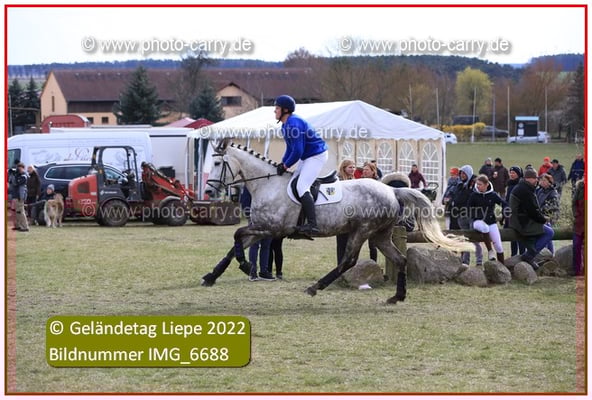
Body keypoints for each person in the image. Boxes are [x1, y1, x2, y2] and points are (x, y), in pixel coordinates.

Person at [274, 95, 328, 236]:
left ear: (285, 110)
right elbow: (290, 148)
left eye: (277, 108)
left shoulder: (294, 124)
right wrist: (283, 162)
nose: (275, 111)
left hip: (316, 155)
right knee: (292, 184)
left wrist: (286, 166)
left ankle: (312, 225)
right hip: (307, 156)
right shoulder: (285, 125)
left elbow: (298, 151)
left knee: (302, 186)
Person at [508, 168, 554, 270]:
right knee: (549, 232)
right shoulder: (525, 190)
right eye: (535, 178)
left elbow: (532, 210)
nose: (537, 180)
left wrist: (542, 219)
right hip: (522, 223)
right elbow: (532, 211)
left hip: (521, 220)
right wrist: (543, 220)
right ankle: (529, 255)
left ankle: (544, 256)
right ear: (529, 178)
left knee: (547, 227)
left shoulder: (523, 187)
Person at [450, 165, 491, 266]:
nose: (462, 175)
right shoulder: (460, 185)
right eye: (461, 173)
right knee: (465, 239)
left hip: (471, 215)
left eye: (464, 173)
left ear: (468, 173)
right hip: (461, 215)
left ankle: (479, 260)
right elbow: (456, 197)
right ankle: (465, 261)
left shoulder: (475, 185)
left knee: (474, 238)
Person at [468, 175, 509, 263]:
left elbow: (503, 203)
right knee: (485, 227)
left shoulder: (493, 195)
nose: (478, 186)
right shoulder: (473, 195)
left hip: (491, 221)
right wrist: (477, 215)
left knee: (499, 246)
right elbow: (468, 209)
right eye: (477, 184)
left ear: (486, 184)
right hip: (477, 222)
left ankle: (502, 267)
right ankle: (490, 251)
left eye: (480, 184)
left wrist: (505, 210)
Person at [239, 187, 275, 281]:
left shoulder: (269, 184)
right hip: (255, 218)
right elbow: (245, 200)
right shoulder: (250, 184)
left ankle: (263, 272)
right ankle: (252, 271)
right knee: (255, 245)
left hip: (269, 217)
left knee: (266, 245)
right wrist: (249, 217)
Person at [336, 159, 356, 266]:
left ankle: (349, 265)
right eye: (350, 167)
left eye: (353, 167)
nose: (353, 169)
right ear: (344, 168)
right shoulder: (338, 180)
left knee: (351, 242)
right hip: (342, 214)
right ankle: (340, 265)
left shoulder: (354, 180)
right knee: (342, 242)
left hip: (352, 214)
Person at [535, 173, 560, 254]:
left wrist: (542, 210)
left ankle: (548, 254)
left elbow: (554, 206)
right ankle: (549, 254)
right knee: (547, 237)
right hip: (540, 216)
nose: (542, 182)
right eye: (541, 180)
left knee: (546, 235)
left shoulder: (553, 192)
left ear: (549, 182)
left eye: (544, 180)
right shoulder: (539, 191)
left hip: (548, 217)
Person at [504, 166, 526, 257]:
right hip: (510, 214)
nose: (511, 174)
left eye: (514, 173)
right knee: (512, 236)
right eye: (510, 172)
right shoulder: (509, 185)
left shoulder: (521, 185)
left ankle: (522, 255)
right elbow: (507, 200)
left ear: (518, 174)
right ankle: (513, 256)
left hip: (519, 215)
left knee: (520, 237)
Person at [572, 178, 585, 276]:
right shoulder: (580, 187)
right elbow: (574, 203)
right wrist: (576, 214)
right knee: (576, 245)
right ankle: (577, 270)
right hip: (579, 222)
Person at [13, 163, 29, 232]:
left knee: (21, 211)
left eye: (20, 168)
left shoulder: (24, 176)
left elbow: (18, 183)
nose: (18, 169)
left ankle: (25, 227)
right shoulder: (18, 175)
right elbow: (13, 183)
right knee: (17, 211)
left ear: (23, 168)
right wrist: (15, 175)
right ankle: (18, 225)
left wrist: (17, 176)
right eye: (18, 168)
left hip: (21, 196)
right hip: (16, 195)